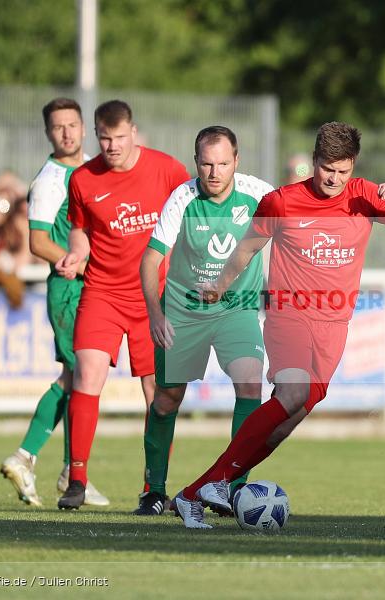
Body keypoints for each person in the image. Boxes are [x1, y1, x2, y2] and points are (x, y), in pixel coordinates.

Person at [171, 121, 385, 528]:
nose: (334, 178)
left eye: (342, 171)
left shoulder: (365, 197)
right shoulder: (281, 202)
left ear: (353, 165)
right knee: (292, 393)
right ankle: (214, 485)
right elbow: (246, 249)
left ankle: (196, 492)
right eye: (327, 168)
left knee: (284, 425)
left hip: (335, 326)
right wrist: (219, 287)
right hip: (289, 316)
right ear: (314, 161)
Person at [55, 100, 190, 510]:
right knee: (86, 374)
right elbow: (81, 231)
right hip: (103, 292)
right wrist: (75, 253)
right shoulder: (83, 179)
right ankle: (76, 480)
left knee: (157, 393)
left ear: (133, 132)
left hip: (154, 297)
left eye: (118, 137)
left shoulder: (167, 169)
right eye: (104, 138)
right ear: (96, 135)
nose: (112, 146)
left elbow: (191, 215)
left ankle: (154, 488)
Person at [136, 126, 273, 515]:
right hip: (184, 311)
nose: (215, 172)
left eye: (223, 164)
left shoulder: (260, 194)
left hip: (236, 308)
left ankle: (233, 488)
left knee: (250, 382)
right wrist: (156, 315)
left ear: (237, 161)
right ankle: (153, 491)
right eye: (207, 164)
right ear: (196, 161)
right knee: (166, 400)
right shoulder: (183, 198)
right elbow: (150, 260)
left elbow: (298, 226)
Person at [0, 98, 108, 507]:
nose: (66, 133)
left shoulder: (93, 169)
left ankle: (70, 473)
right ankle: (30, 458)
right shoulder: (49, 180)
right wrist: (83, 267)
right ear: (48, 133)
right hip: (69, 288)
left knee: (79, 378)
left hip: (90, 287)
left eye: (72, 124)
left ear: (84, 128)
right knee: (80, 376)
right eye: (58, 126)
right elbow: (39, 241)